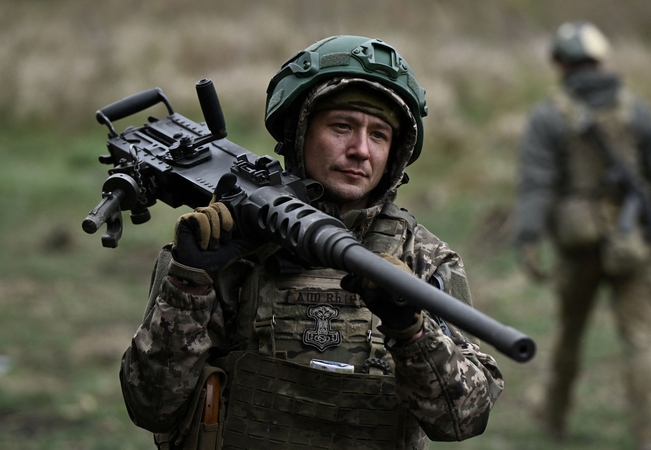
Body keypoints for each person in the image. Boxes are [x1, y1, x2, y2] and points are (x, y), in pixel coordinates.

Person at [120, 35, 504, 450]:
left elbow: (462, 420)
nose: (360, 150)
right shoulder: (226, 240)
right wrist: (188, 285)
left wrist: (411, 330)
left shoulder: (423, 258)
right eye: (342, 126)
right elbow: (151, 406)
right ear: (300, 132)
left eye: (378, 135)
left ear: (396, 153)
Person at [514, 22, 651, 450]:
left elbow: (537, 183)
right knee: (641, 341)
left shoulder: (549, 115)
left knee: (569, 334)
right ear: (602, 59)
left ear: (559, 64)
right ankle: (650, 437)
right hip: (633, 245)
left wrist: (529, 237)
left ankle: (553, 420)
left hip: (577, 246)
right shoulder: (636, 110)